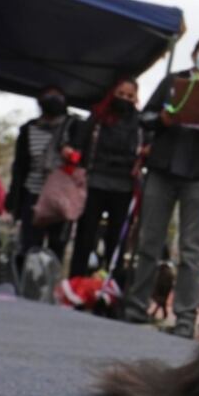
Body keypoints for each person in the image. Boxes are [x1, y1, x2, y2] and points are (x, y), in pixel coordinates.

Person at [122, 36, 199, 338]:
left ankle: (185, 320)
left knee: (190, 249)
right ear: (194, 53)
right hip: (161, 170)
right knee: (149, 241)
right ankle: (135, 309)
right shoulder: (172, 81)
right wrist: (163, 118)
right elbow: (144, 118)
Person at [68, 78, 142, 278]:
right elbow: (78, 143)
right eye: (120, 94)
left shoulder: (140, 123)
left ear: (136, 98)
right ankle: (76, 280)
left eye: (129, 96)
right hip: (94, 183)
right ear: (112, 94)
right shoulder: (97, 117)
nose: (124, 99)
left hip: (124, 187)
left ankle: (111, 287)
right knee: (86, 235)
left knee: (117, 240)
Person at [6, 86, 82, 261]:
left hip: (61, 195)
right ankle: (25, 281)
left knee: (57, 245)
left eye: (57, 95)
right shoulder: (28, 129)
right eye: (48, 95)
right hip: (32, 192)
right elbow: (20, 165)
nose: (53, 99)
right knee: (29, 243)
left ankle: (48, 284)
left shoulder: (74, 126)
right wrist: (14, 197)